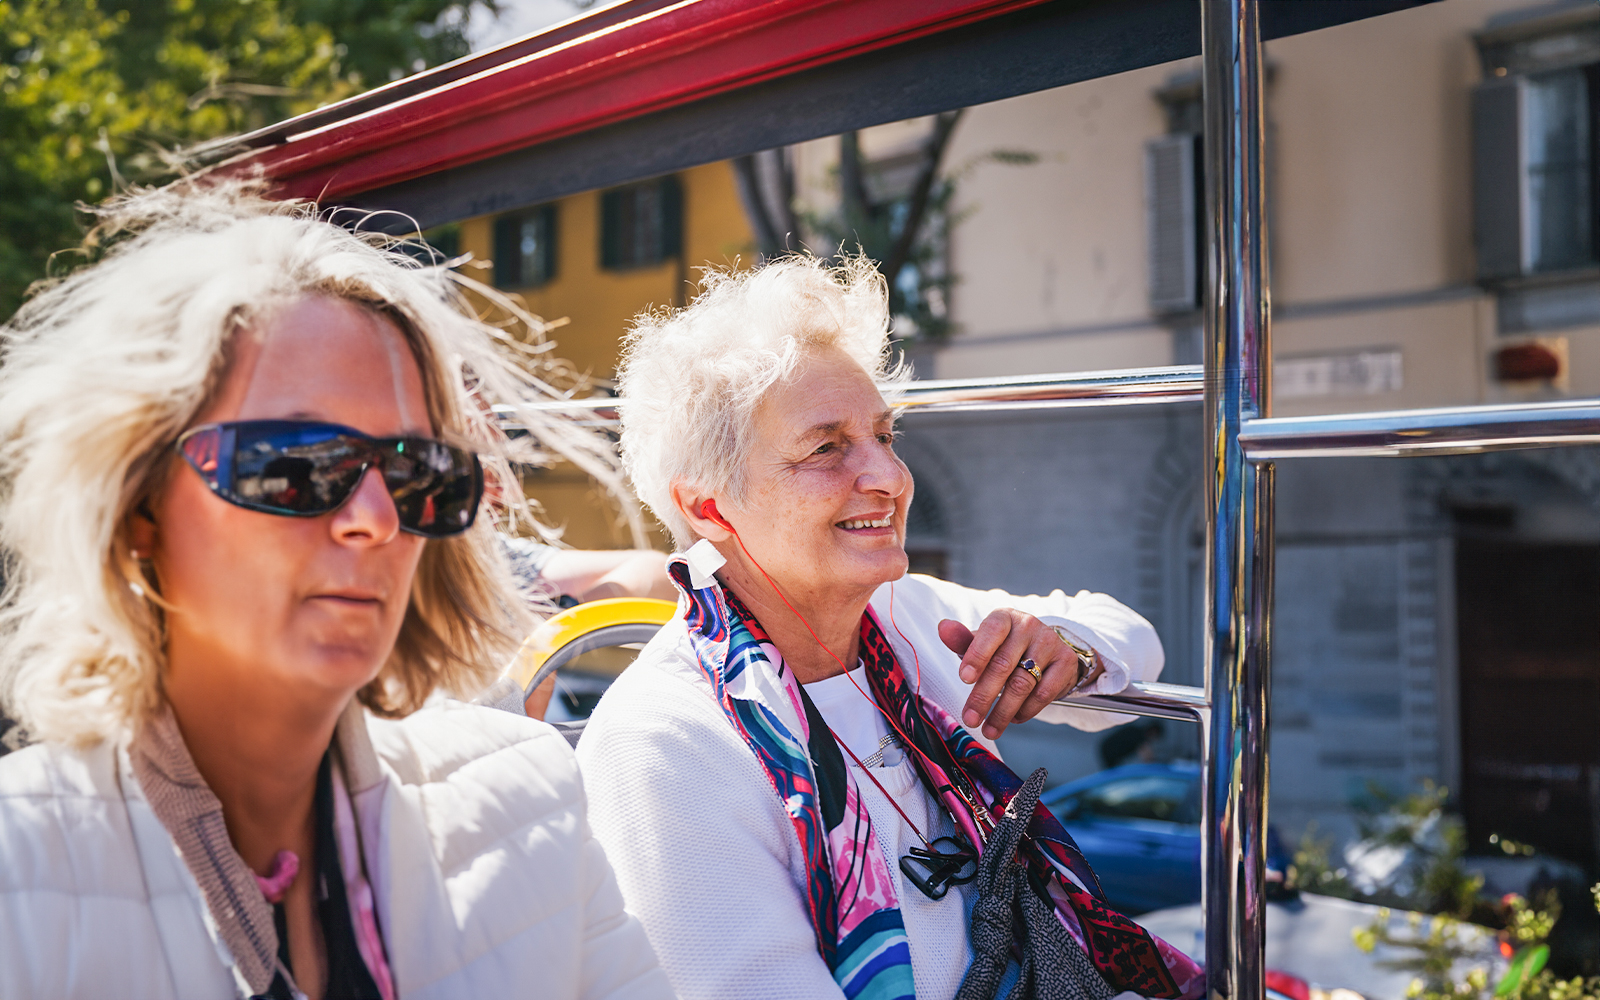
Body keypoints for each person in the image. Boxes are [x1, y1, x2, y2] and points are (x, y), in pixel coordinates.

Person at [0, 184, 672, 1000]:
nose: (376, 518)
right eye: (293, 463)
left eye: (418, 472)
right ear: (138, 510)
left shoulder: (529, 803)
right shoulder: (18, 875)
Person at [576, 256, 1204, 1000]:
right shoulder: (665, 743)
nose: (890, 476)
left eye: (884, 434)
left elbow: (1125, 629)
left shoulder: (906, 617)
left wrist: (1063, 649)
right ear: (710, 508)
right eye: (826, 447)